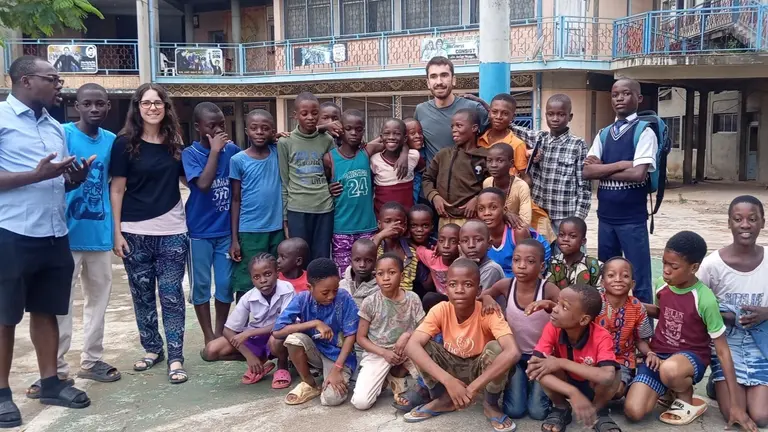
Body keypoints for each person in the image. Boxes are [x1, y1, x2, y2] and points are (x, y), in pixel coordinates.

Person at [1, 56, 94, 426]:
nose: (59, 85)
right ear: (26, 81)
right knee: (5, 315)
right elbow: (34, 176)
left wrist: (74, 179)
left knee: (47, 309)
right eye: (52, 78)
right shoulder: (1, 119)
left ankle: (51, 383)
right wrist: (35, 175)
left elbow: (55, 180)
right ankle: (2, 394)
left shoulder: (55, 127)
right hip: (11, 233)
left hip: (54, 233)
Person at [624, 231, 757, 431]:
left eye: (674, 266)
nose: (666, 270)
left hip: (690, 358)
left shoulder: (705, 298)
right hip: (658, 355)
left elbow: (722, 351)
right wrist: (632, 304)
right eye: (664, 263)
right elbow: (662, 312)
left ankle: (686, 396)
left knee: (670, 370)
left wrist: (737, 405)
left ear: (694, 268)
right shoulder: (662, 285)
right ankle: (669, 389)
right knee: (634, 411)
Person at [110, 83, 189, 384]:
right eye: (146, 103)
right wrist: (116, 232)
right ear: (137, 107)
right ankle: (152, 348)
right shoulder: (124, 143)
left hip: (172, 230)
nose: (152, 108)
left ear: (166, 108)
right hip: (134, 232)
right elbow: (117, 189)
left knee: (171, 295)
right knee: (142, 296)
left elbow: (191, 179)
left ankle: (176, 356)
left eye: (158, 103)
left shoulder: (175, 143)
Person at [403, 259, 519, 432]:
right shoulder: (441, 309)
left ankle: (490, 404)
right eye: (453, 284)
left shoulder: (488, 311)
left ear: (479, 290)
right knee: (421, 346)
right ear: (446, 288)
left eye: (468, 284)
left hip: (480, 370)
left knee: (497, 348)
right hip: (452, 367)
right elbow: (411, 346)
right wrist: (448, 381)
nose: (459, 290)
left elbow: (512, 352)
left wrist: (472, 388)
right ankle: (443, 399)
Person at [55, 83, 121, 387]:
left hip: (98, 233)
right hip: (64, 234)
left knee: (98, 300)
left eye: (100, 103)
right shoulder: (63, 135)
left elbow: (116, 186)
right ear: (76, 106)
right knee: (61, 302)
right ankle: (56, 367)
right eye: (87, 103)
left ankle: (92, 360)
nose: (94, 109)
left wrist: (115, 232)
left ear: (108, 106)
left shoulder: (111, 141)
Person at [583, 79, 656, 304]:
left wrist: (603, 169)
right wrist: (622, 164)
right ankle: (610, 319)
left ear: (639, 98)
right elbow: (587, 171)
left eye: (626, 93)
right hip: (605, 217)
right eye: (615, 95)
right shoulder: (604, 134)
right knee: (607, 275)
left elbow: (638, 174)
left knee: (638, 278)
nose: (619, 99)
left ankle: (644, 323)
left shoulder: (644, 132)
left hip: (632, 219)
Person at [698, 195, 768, 427]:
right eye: (738, 219)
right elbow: (695, 306)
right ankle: (717, 383)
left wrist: (766, 313)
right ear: (729, 223)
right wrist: (730, 317)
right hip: (726, 345)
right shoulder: (712, 265)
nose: (745, 225)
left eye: (752, 219)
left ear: (763, 222)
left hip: (760, 342)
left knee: (761, 416)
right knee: (734, 411)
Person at [480, 239, 559, 421]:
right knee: (515, 411)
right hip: (515, 357)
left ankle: (539, 386)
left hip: (541, 358)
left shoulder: (548, 289)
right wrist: (488, 299)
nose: (522, 266)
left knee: (538, 412)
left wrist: (550, 305)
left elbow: (569, 311)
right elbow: (484, 295)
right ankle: (524, 382)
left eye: (530, 261)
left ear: (541, 266)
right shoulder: (506, 285)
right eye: (517, 260)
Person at [182, 102, 241, 345]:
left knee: (225, 285)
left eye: (221, 125)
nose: (218, 130)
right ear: (198, 127)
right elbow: (204, 184)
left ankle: (219, 333)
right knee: (201, 286)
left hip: (225, 231)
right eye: (211, 126)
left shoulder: (233, 150)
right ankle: (208, 335)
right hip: (199, 232)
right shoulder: (190, 154)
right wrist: (215, 151)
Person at [527, 284, 622, 432]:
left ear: (583, 320)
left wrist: (561, 362)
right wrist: (572, 392)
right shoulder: (553, 328)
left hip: (592, 386)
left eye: (564, 307)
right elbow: (532, 368)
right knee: (541, 367)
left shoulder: (601, 336)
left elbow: (607, 376)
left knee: (615, 372)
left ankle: (597, 411)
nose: (555, 309)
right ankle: (561, 408)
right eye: (557, 303)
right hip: (564, 383)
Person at [273, 258, 359, 406]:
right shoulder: (302, 299)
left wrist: (337, 369)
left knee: (331, 399)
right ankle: (310, 384)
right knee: (293, 339)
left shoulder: (344, 297)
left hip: (338, 356)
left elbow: (351, 336)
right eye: (325, 292)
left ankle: (331, 375)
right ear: (309, 287)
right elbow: (277, 331)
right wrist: (315, 323)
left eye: (335, 290)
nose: (331, 296)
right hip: (314, 352)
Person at [201, 253, 293, 389]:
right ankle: (260, 362)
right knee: (210, 351)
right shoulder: (248, 297)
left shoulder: (287, 289)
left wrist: (249, 333)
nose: (263, 280)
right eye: (256, 277)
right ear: (252, 279)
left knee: (277, 338)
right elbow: (228, 330)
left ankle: (282, 365)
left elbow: (285, 323)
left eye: (267, 274)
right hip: (258, 338)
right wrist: (249, 355)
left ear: (277, 273)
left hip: (279, 335)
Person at [351, 253, 425, 410]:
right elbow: (361, 338)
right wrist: (384, 353)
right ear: (375, 276)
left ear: (402, 275)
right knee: (361, 402)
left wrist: (407, 335)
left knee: (432, 384)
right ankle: (385, 377)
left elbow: (425, 328)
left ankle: (398, 372)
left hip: (408, 350)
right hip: (379, 352)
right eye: (380, 274)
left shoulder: (412, 299)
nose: (386, 278)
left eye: (391, 272)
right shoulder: (370, 302)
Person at [510, 94, 591, 235]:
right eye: (551, 114)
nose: (555, 119)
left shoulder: (578, 145)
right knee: (540, 248)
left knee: (566, 248)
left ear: (570, 117)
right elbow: (512, 127)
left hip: (565, 215)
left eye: (561, 114)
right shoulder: (539, 139)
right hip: (540, 213)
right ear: (545, 116)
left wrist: (578, 219)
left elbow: (584, 186)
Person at [230, 110, 283, 300]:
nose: (259, 132)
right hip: (249, 230)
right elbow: (235, 199)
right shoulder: (238, 160)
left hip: (277, 229)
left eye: (265, 128)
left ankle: (274, 317)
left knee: (275, 278)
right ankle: (242, 317)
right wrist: (234, 239)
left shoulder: (279, 153)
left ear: (273, 132)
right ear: (247, 131)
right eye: (254, 128)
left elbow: (301, 136)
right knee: (247, 280)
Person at [278, 93, 335, 261]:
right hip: (297, 209)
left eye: (315, 113)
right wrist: (285, 217)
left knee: (321, 258)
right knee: (299, 257)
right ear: (295, 115)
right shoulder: (285, 142)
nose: (310, 117)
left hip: (324, 208)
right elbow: (284, 181)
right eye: (304, 113)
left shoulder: (327, 140)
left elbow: (332, 173)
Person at [324, 109, 377, 275]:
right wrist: (328, 188)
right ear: (341, 129)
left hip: (367, 227)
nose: (354, 133)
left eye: (358, 129)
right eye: (348, 129)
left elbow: (391, 139)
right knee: (344, 276)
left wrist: (403, 153)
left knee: (369, 274)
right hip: (341, 229)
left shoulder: (366, 153)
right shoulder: (329, 158)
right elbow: (322, 185)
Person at [594, 257, 653, 398]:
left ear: (632, 284)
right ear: (602, 282)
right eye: (611, 275)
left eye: (625, 276)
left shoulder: (637, 307)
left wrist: (650, 353)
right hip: (594, 357)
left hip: (622, 359)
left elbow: (640, 339)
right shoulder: (595, 303)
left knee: (617, 390)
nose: (618, 279)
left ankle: (626, 383)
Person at [414, 56, 488, 166]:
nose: (439, 82)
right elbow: (411, 142)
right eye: (433, 77)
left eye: (444, 75)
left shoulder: (473, 108)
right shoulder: (421, 110)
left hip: (468, 175)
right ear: (428, 83)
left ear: (453, 80)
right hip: (434, 176)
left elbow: (497, 135)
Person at [423, 109, 488, 228]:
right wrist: (434, 196)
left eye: (459, 125)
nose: (454, 129)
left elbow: (493, 185)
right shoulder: (443, 155)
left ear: (474, 128)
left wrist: (478, 199)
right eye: (452, 126)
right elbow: (427, 178)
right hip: (444, 219)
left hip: (472, 220)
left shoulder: (484, 157)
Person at [477, 188, 550, 278]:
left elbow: (530, 268)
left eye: (493, 207)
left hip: (527, 268)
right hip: (501, 273)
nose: (487, 213)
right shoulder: (479, 234)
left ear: (504, 210)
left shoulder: (518, 232)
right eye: (481, 209)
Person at [370, 118, 422, 214]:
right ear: (381, 137)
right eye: (387, 133)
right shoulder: (374, 160)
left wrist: (405, 153)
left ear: (405, 138)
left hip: (406, 216)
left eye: (397, 134)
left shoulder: (413, 156)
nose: (391, 137)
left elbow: (423, 171)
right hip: (382, 217)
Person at [372, 201, 419, 291]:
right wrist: (379, 236)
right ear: (379, 224)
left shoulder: (412, 253)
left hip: (405, 298)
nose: (392, 226)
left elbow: (426, 283)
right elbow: (367, 258)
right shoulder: (374, 244)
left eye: (398, 222)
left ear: (404, 226)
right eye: (388, 221)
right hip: (378, 297)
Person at [478, 94, 528, 177]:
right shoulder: (479, 140)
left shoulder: (517, 144)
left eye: (505, 113)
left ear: (513, 117)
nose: (498, 117)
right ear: (489, 113)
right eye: (494, 112)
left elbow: (525, 177)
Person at [483, 143, 532, 226]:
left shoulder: (521, 186)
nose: (493, 165)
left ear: (511, 163)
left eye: (500, 161)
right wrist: (503, 214)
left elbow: (525, 222)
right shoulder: (487, 183)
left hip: (515, 227)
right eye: (489, 160)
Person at [547, 217, 602, 289]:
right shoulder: (552, 263)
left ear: (583, 241)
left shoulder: (594, 265)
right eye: (561, 235)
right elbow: (548, 290)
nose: (565, 239)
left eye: (572, 236)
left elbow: (601, 292)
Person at [419, 223, 461, 312]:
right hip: (443, 300)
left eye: (453, 241)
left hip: (461, 301)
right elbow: (419, 249)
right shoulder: (433, 258)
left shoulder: (464, 263)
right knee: (429, 297)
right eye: (441, 241)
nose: (446, 245)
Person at [459, 220, 505, 291]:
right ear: (460, 245)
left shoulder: (491, 269)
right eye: (465, 241)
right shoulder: (458, 263)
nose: (471, 245)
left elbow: (475, 297)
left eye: (478, 240)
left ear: (489, 244)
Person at [339, 238, 380, 308]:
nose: (362, 265)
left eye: (369, 261)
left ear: (375, 262)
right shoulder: (341, 286)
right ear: (350, 261)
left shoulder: (379, 290)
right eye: (357, 260)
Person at [407, 204, 435, 299]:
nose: (419, 230)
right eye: (414, 225)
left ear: (432, 226)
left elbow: (429, 286)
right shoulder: (403, 246)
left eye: (425, 225)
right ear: (407, 226)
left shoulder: (437, 244)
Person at [404, 118, 426, 205]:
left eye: (420, 132)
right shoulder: (399, 157)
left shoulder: (426, 153)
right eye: (412, 133)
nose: (418, 136)